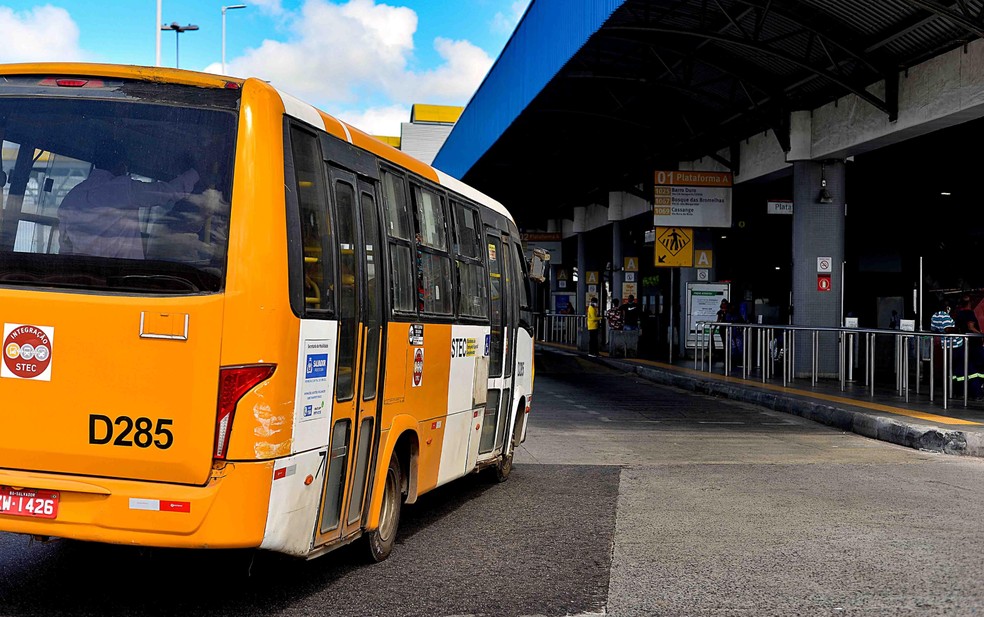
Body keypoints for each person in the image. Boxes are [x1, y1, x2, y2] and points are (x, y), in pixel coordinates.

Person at [59, 145, 199, 259]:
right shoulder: (125, 189)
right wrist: (196, 173)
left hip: (83, 281)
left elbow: (65, 249)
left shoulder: (71, 198)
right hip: (124, 280)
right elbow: (168, 191)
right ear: (122, 165)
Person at [952, 295, 983, 399]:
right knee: (976, 370)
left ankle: (959, 392)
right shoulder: (970, 313)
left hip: (962, 345)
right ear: (970, 303)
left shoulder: (959, 314)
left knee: (961, 370)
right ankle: (977, 392)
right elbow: (971, 327)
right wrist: (981, 334)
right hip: (974, 345)